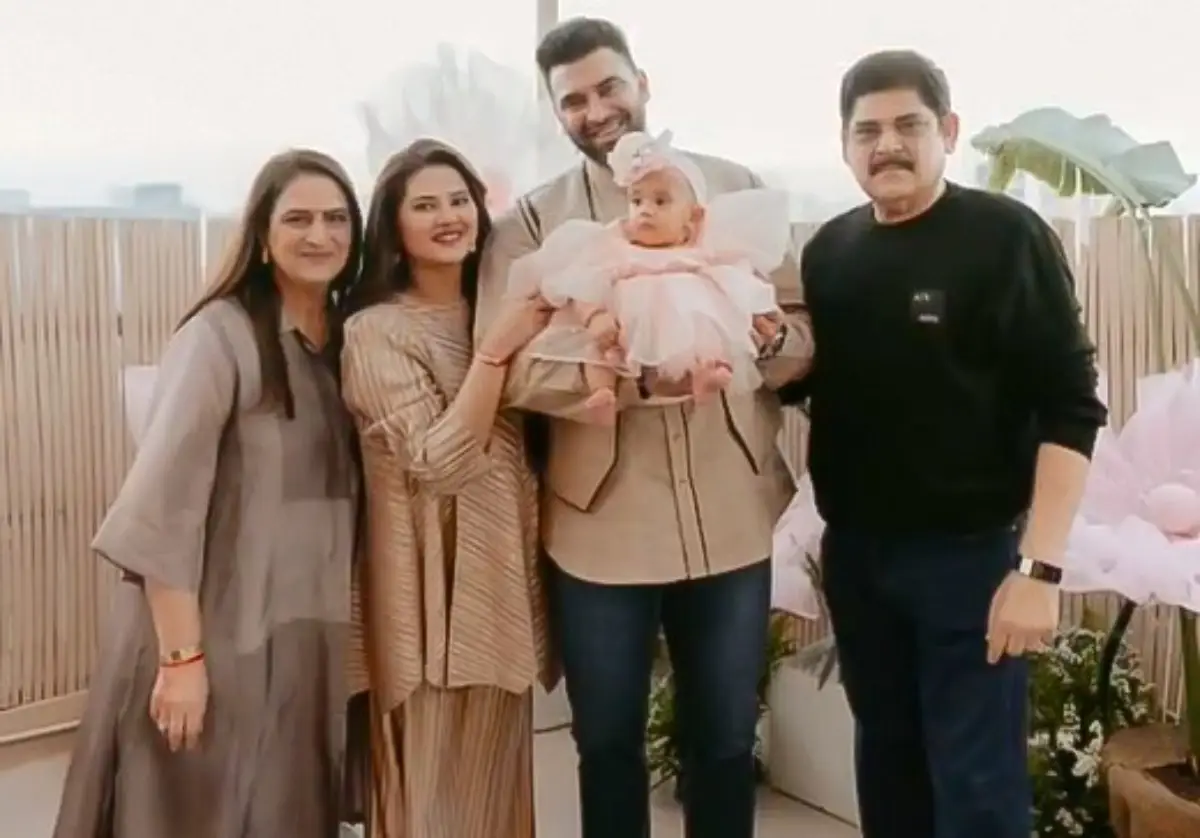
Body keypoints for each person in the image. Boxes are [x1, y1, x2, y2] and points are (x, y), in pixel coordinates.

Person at [476, 17, 814, 838]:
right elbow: (510, 365)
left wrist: (770, 344)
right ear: (556, 112)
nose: (596, 110)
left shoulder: (734, 188)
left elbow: (802, 335)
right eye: (574, 100)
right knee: (606, 744)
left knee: (726, 742)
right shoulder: (535, 222)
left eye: (609, 88)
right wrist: (633, 375)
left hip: (731, 514)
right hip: (600, 525)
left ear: (643, 84)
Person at [794, 50, 1108, 837]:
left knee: (977, 789)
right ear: (844, 144)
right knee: (888, 771)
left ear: (949, 130)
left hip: (969, 561)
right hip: (858, 558)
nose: (887, 145)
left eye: (909, 125)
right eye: (867, 130)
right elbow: (819, 384)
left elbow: (1072, 406)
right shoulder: (830, 252)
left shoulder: (1004, 237)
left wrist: (1038, 570)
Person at [52, 149, 365, 838]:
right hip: (210, 637)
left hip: (303, 644)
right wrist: (182, 662)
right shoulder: (218, 337)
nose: (320, 235)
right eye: (299, 219)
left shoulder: (348, 342)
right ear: (262, 236)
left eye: (337, 218)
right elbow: (163, 510)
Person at [340, 138, 557, 838]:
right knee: (430, 801)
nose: (449, 217)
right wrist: (494, 353)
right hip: (422, 591)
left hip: (500, 579)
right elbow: (439, 463)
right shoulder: (375, 330)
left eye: (460, 200)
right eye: (426, 205)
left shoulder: (500, 309)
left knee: (496, 793)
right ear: (393, 226)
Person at [508, 128, 794, 424]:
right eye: (637, 201)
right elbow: (584, 284)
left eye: (660, 202)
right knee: (597, 352)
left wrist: (756, 307)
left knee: (709, 342)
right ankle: (602, 391)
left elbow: (733, 280)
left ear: (693, 216)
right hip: (621, 331)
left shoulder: (703, 252)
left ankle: (703, 377)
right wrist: (595, 317)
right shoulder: (612, 246)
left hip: (686, 327)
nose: (645, 211)